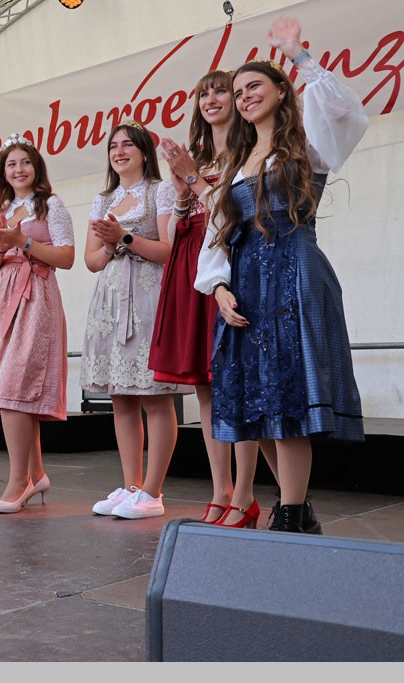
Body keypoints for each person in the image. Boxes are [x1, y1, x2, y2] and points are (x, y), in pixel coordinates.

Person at [195, 16, 368, 533]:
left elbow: (347, 113)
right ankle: (298, 509)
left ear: (279, 91)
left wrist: (297, 55)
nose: (245, 96)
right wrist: (219, 287)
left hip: (294, 272)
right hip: (247, 282)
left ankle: (290, 513)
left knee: (287, 396)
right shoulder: (237, 160)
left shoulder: (306, 143)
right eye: (238, 91)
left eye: (254, 87)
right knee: (258, 401)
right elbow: (220, 229)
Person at [153, 72, 275, 528]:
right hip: (195, 268)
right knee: (206, 389)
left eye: (221, 90)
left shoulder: (249, 153)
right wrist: (182, 195)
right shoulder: (197, 157)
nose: (212, 99)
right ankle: (221, 489)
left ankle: (245, 493)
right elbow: (173, 233)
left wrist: (193, 179)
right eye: (203, 93)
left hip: (235, 267)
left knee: (234, 383)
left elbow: (236, 214)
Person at [82, 121, 182, 520]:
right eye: (113, 146)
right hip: (109, 300)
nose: (119, 152)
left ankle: (153, 491)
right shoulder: (103, 198)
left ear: (144, 151)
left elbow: (169, 251)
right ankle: (131, 486)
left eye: (127, 145)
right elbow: (91, 261)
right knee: (120, 397)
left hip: (147, 296)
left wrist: (124, 238)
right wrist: (110, 246)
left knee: (154, 396)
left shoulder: (161, 190)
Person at [0, 135, 75, 514]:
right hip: (3, 299)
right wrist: (3, 245)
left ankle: (20, 481)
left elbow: (66, 257)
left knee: (14, 386)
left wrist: (24, 242)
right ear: (3, 172)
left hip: (36, 297)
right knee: (11, 389)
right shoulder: (3, 209)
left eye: (25, 162)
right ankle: (36, 473)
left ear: (37, 167)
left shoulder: (51, 205)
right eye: (11, 164)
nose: (19, 170)